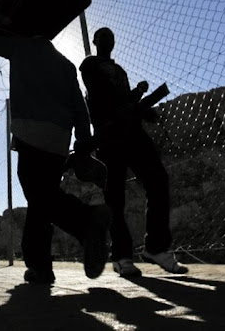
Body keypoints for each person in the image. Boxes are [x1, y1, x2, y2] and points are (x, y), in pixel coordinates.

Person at [0, 13, 111, 285]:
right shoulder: (65, 64)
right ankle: (44, 264)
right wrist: (84, 141)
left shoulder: (20, 47)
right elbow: (79, 106)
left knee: (40, 198)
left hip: (30, 136)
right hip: (59, 143)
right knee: (43, 199)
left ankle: (83, 226)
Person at [80, 27, 187, 277]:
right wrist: (136, 100)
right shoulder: (89, 65)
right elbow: (103, 96)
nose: (108, 39)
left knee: (158, 179)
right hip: (109, 134)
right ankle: (121, 256)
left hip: (132, 131)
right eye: (103, 35)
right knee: (115, 196)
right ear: (95, 41)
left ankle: (156, 248)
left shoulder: (121, 71)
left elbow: (123, 101)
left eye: (111, 36)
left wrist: (140, 107)